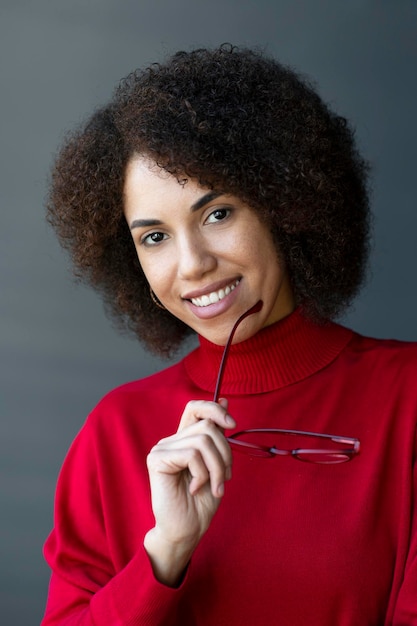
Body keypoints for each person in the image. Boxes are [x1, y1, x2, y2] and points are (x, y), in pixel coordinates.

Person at [41, 45, 417, 625]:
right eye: (154, 237)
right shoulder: (113, 434)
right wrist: (164, 554)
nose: (191, 265)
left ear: (284, 205)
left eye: (217, 214)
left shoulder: (407, 397)